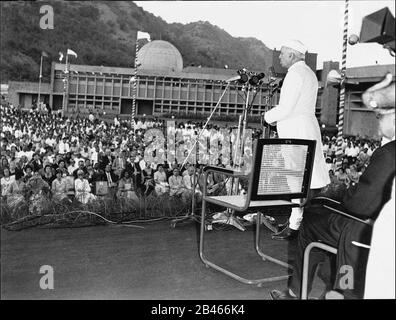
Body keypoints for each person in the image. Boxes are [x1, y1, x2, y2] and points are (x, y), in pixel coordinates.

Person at [270, 74, 395, 299]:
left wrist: (341, 191)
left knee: (311, 221)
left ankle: (297, 292)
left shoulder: (389, 154)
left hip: (366, 230)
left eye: (380, 117)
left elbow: (359, 205)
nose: (378, 124)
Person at [262, 39, 330, 240]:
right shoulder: (308, 72)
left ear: (292, 55)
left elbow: (286, 108)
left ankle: (295, 226)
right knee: (304, 180)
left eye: (283, 53)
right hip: (305, 128)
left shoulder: (294, 74)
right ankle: (296, 222)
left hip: (296, 132)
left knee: (296, 181)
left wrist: (267, 117)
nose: (280, 57)